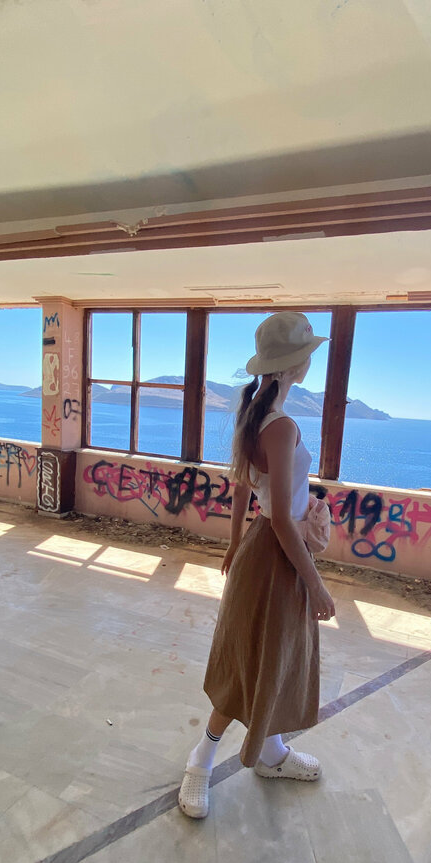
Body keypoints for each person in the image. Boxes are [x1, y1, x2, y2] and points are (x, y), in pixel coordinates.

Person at [178, 312, 336, 819]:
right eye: (307, 354)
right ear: (295, 365)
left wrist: (234, 544)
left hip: (260, 548)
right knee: (253, 658)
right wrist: (316, 585)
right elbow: (283, 520)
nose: (310, 362)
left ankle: (271, 751)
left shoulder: (255, 416)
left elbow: (243, 487)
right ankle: (201, 760)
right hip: (276, 555)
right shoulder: (282, 425)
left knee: (271, 654)